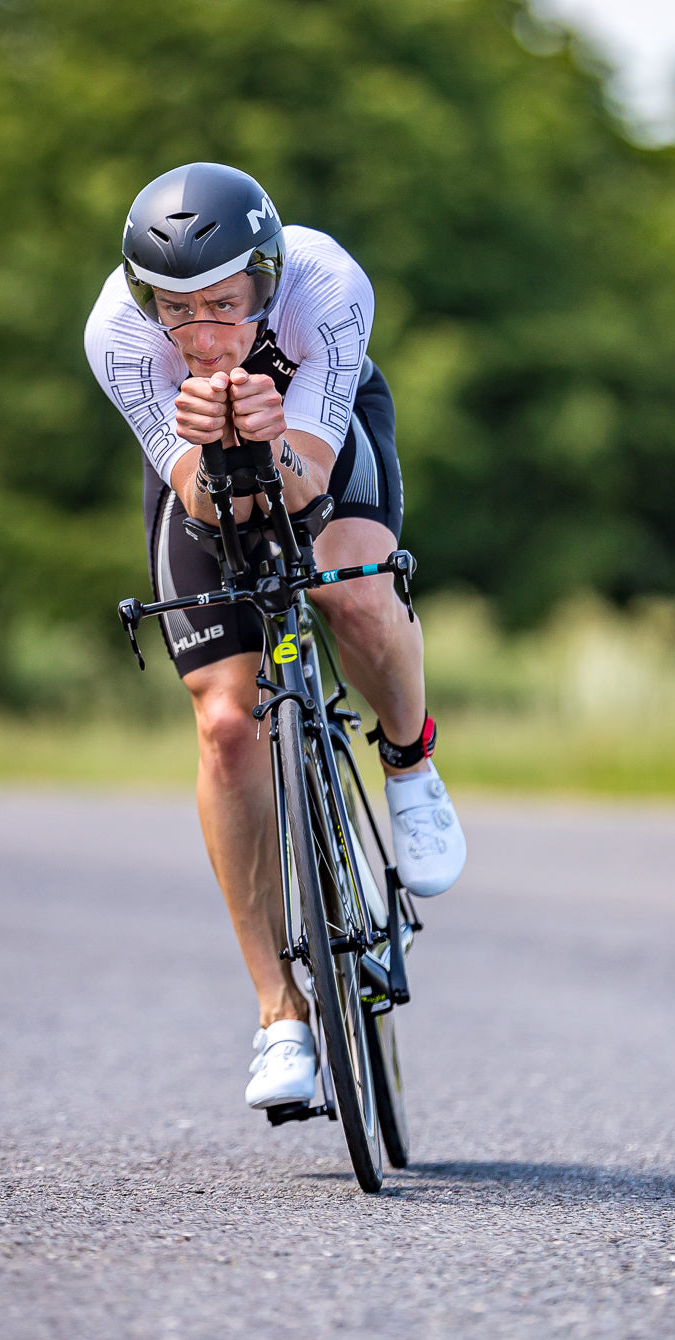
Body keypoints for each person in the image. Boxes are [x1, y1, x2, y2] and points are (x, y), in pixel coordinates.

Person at [85, 162, 465, 1112]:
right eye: (177, 311)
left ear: (265, 276)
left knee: (357, 596)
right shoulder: (119, 336)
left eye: (224, 304)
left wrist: (272, 435)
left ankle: (412, 767)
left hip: (320, 436)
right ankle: (279, 1016)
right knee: (224, 724)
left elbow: (309, 482)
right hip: (202, 468)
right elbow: (199, 503)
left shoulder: (325, 284)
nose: (204, 334)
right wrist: (213, 450)